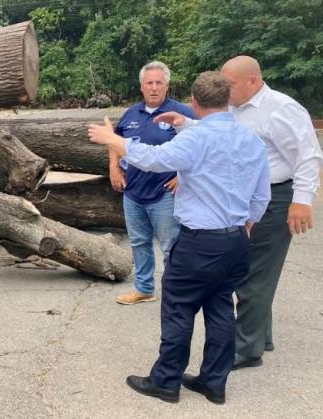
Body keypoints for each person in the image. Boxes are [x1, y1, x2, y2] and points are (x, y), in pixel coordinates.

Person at [88, 71, 271, 404]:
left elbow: (155, 160)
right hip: (235, 241)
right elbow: (261, 194)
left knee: (178, 309)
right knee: (219, 308)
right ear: (227, 100)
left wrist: (112, 139)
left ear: (194, 102)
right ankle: (214, 382)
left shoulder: (195, 140)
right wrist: (247, 225)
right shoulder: (250, 139)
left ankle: (166, 381)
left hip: (199, 243)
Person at [155, 56, 323, 369]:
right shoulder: (236, 108)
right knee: (250, 267)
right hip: (247, 198)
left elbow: (308, 155)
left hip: (274, 197)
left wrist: (301, 200)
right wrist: (186, 123)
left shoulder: (281, 108)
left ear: (253, 81)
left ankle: (246, 349)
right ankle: (260, 334)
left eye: (229, 83)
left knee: (255, 274)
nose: (225, 89)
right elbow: (223, 134)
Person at [109, 61, 195, 305]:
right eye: (150, 83)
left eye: (159, 83)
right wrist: (114, 166)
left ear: (167, 86)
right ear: (141, 87)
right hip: (133, 191)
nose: (154, 87)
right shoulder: (131, 114)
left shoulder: (182, 113)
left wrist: (182, 176)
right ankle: (144, 288)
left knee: (171, 245)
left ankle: (175, 292)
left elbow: (202, 146)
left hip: (164, 193)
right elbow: (115, 140)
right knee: (139, 242)